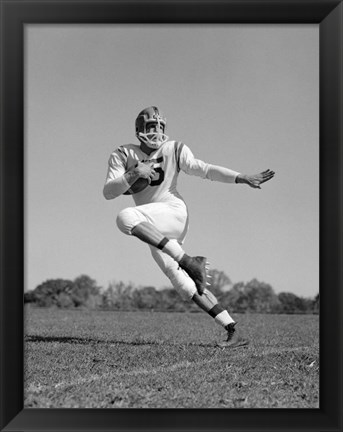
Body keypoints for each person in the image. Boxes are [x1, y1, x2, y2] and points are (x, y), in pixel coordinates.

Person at [103, 106, 275, 348]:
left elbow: (204, 169)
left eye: (161, 126)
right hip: (150, 223)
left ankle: (189, 261)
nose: (157, 131)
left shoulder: (174, 148)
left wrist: (240, 177)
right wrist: (134, 173)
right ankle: (232, 329)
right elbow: (109, 192)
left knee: (124, 218)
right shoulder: (123, 153)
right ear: (139, 129)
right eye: (152, 126)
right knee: (184, 284)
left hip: (172, 213)